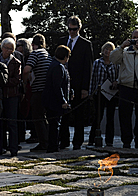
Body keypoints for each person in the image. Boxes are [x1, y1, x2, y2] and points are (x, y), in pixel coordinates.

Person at [57, 16, 93, 150]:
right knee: (64, 113)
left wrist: (85, 88)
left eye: (74, 29)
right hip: (63, 83)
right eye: (70, 29)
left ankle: (77, 142)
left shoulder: (85, 44)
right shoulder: (62, 41)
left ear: (79, 29)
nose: (71, 32)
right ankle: (64, 140)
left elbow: (87, 67)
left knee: (78, 114)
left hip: (78, 84)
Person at [23, 34, 51, 151]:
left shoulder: (35, 54)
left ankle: (43, 143)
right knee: (44, 117)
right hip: (48, 90)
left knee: (37, 117)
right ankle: (48, 141)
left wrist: (24, 83)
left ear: (33, 45)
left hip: (38, 89)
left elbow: (27, 69)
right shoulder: (48, 55)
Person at [88, 41, 119, 147]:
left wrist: (116, 81)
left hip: (111, 93)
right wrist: (91, 92)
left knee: (110, 117)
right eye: (106, 49)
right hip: (99, 93)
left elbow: (119, 76)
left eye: (110, 50)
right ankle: (92, 139)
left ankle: (109, 141)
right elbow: (93, 77)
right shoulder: (97, 62)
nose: (108, 51)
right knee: (97, 117)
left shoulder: (116, 63)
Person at [43, 45, 71, 153]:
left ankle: (54, 145)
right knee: (55, 125)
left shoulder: (55, 65)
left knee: (54, 125)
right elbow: (57, 86)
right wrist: (63, 100)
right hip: (54, 102)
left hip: (52, 100)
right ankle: (53, 146)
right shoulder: (58, 67)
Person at [0, 37, 21, 156]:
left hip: (12, 96)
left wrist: (3, 81)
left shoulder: (16, 63)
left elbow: (16, 80)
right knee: (0, 122)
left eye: (11, 49)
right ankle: (0, 147)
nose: (9, 51)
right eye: (7, 48)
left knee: (12, 123)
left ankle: (13, 148)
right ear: (2, 48)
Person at [15, 38, 34, 143]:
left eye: (18, 45)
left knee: (28, 110)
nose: (17, 47)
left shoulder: (28, 58)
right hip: (21, 87)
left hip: (28, 86)